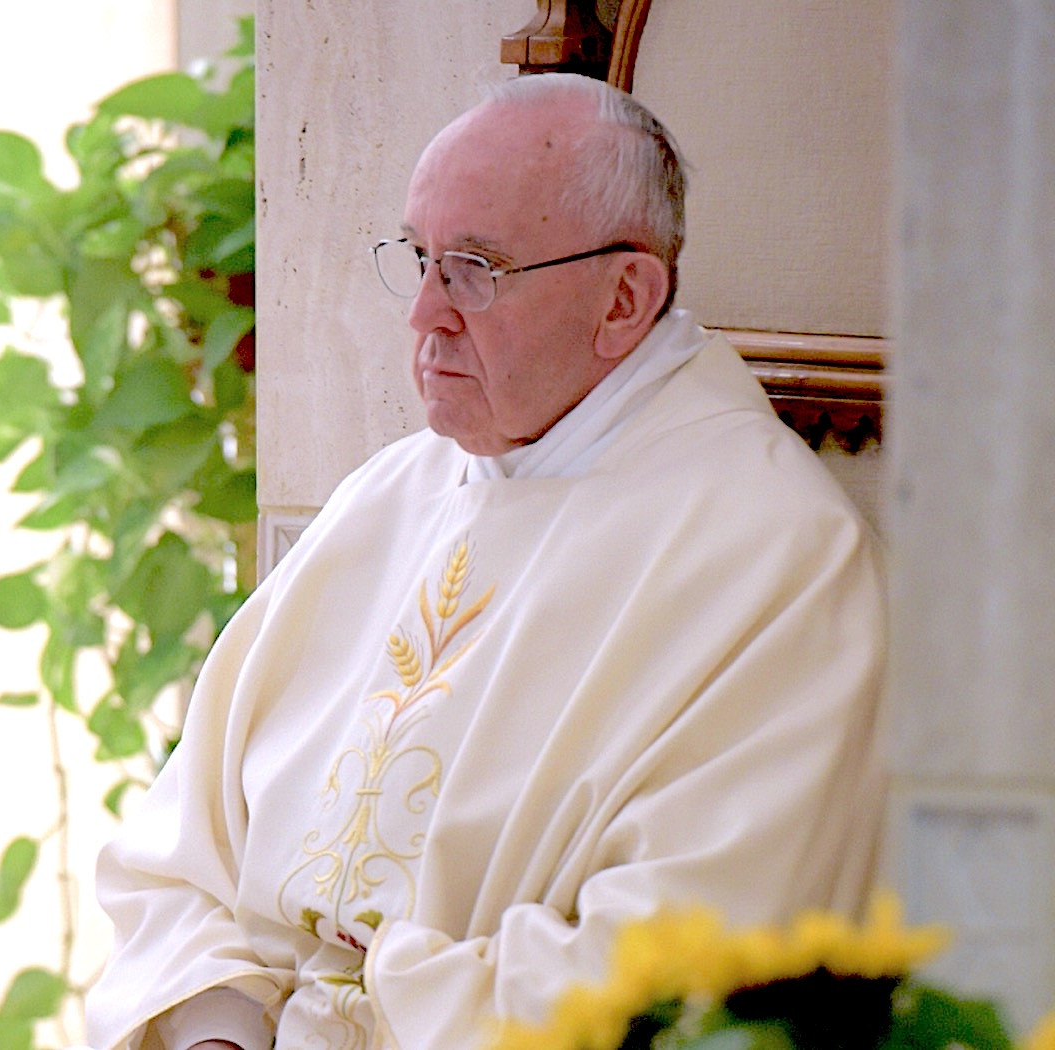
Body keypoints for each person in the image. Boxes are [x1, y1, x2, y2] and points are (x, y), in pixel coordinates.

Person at [82, 72, 886, 1050]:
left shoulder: (775, 558)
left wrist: (372, 1003)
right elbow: (183, 851)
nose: (423, 313)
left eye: (471, 269)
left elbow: (690, 968)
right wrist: (215, 1027)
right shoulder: (392, 493)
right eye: (418, 259)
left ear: (624, 298)